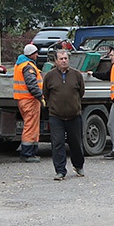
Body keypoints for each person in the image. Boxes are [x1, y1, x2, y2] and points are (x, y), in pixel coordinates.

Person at [43, 49, 86, 181]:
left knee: (76, 142)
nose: (64, 61)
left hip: (74, 115)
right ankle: (60, 170)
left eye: (65, 58)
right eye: (61, 59)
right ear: (55, 61)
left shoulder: (76, 75)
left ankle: (78, 166)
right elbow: (46, 94)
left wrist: (73, 105)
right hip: (56, 116)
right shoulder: (49, 76)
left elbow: (81, 92)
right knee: (58, 143)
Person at [14, 43, 44, 163]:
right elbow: (32, 84)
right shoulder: (28, 66)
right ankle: (27, 153)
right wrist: (40, 96)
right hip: (30, 100)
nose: (37, 55)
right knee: (30, 127)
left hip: (24, 99)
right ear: (31, 54)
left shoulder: (20, 64)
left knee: (31, 126)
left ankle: (31, 152)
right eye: (36, 53)